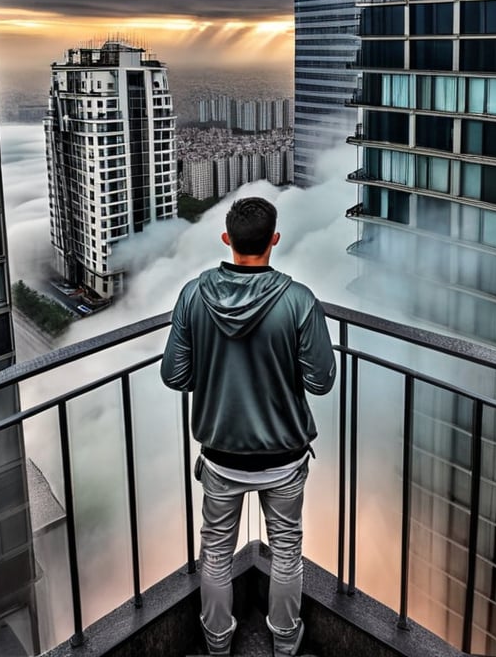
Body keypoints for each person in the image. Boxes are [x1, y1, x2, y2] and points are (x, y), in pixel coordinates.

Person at [161, 196, 336, 657]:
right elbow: (321, 381)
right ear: (274, 240)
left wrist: (216, 372)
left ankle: (217, 642)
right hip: (284, 456)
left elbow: (174, 375)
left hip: (221, 455)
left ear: (227, 240)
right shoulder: (299, 301)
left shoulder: (193, 295)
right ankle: (284, 640)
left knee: (216, 553)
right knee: (285, 550)